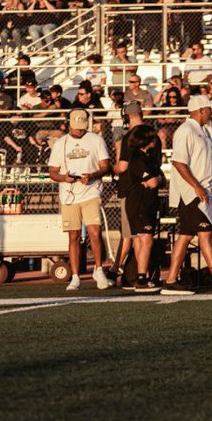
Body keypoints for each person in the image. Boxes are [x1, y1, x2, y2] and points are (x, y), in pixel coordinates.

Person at [161, 95, 212, 295]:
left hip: (203, 191)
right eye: (209, 109)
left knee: (185, 236)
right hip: (192, 194)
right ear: (201, 110)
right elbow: (178, 162)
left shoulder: (205, 131)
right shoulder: (185, 130)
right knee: (205, 234)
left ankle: (171, 280)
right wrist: (196, 187)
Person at [47, 109, 112, 291]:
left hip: (91, 192)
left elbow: (105, 166)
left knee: (94, 232)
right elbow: (52, 171)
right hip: (69, 195)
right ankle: (75, 276)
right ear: (69, 125)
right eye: (76, 127)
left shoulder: (96, 140)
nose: (79, 130)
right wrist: (64, 178)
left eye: (82, 127)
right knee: (73, 236)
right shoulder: (60, 144)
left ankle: (98, 269)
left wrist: (92, 175)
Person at [117, 124, 164, 292]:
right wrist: (157, 178)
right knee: (145, 238)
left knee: (140, 239)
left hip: (145, 203)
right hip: (140, 204)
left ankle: (141, 275)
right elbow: (154, 182)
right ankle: (142, 278)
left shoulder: (147, 158)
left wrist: (158, 178)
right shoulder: (138, 158)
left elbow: (160, 179)